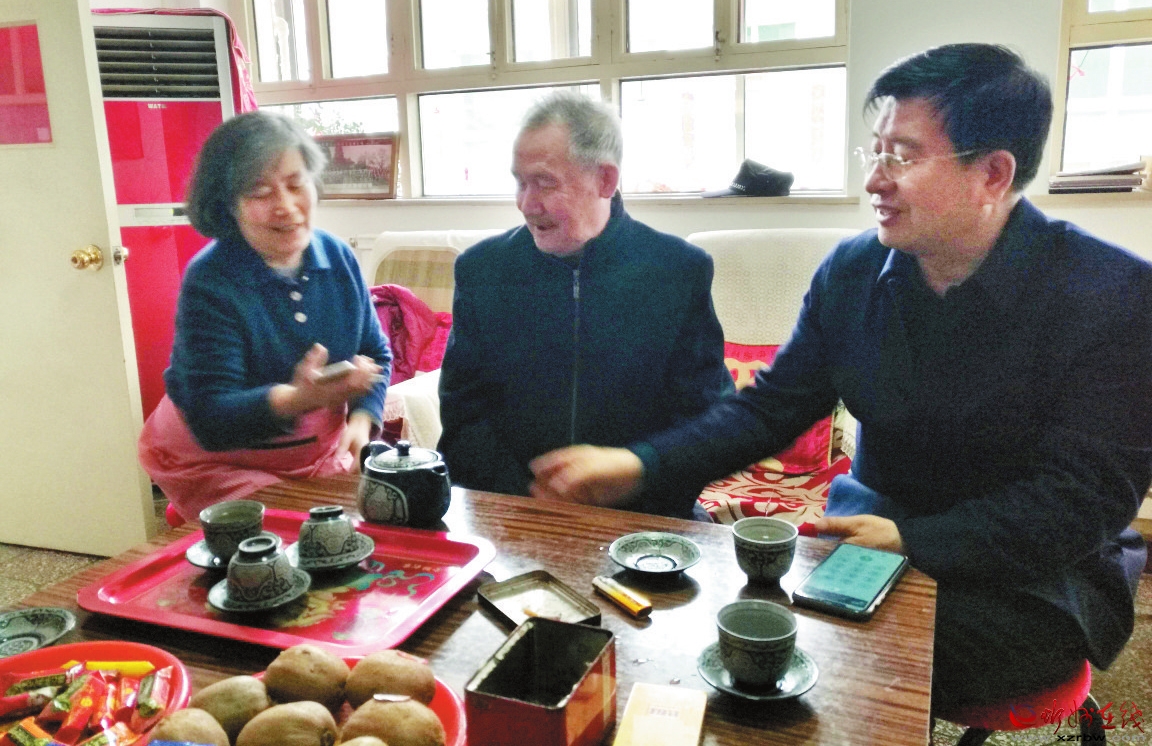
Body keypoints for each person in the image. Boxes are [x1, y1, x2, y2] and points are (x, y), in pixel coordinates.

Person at [530, 44, 1152, 710]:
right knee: (719, 609)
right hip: (871, 537)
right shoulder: (853, 273)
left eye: (902, 157)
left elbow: (1081, 500)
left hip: (1029, 577)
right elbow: (769, 409)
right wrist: (639, 464)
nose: (875, 181)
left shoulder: (1113, 296)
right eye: (874, 153)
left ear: (993, 173)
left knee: (825, 659)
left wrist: (917, 541)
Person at [437, 91, 734, 519]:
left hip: (647, 516)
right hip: (512, 511)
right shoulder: (482, 271)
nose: (526, 204)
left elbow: (704, 418)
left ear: (605, 181)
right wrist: (529, 499)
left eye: (545, 182)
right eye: (520, 182)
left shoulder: (678, 271)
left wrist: (635, 484)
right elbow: (464, 418)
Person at [138, 111, 392, 522]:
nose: (286, 207)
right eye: (259, 192)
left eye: (296, 184)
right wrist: (298, 399)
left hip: (309, 452)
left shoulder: (338, 257)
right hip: (215, 459)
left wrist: (362, 420)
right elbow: (210, 415)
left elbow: (374, 352)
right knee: (289, 540)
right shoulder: (212, 279)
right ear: (228, 205)